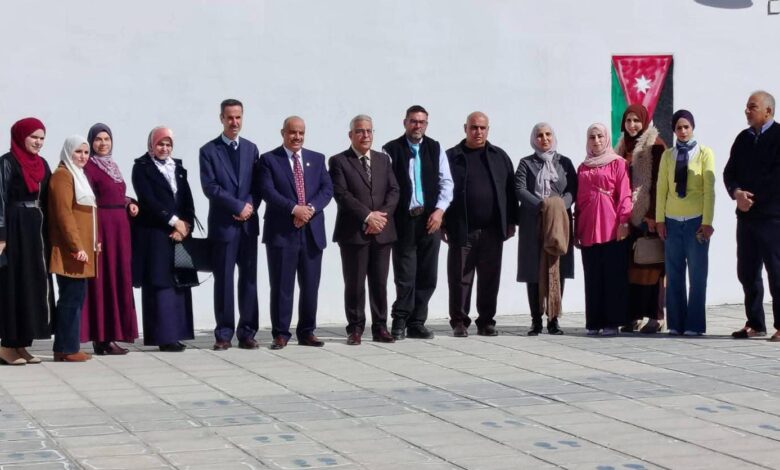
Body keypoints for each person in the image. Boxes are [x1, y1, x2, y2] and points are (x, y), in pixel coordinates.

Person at [257, 116, 333, 350]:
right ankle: (281, 333)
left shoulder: (317, 159)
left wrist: (309, 209)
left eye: (301, 133)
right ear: (283, 133)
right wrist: (294, 209)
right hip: (282, 233)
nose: (297, 137)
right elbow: (268, 191)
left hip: (311, 232)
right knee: (282, 286)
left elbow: (327, 189)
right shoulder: (269, 160)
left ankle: (307, 331)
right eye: (292, 132)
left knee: (310, 286)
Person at [382, 105, 454, 340]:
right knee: (405, 275)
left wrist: (440, 211)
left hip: (430, 220)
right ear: (405, 123)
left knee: (427, 275)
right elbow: (387, 186)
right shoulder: (390, 149)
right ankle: (400, 320)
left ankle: (417, 322)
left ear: (426, 124)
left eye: (422, 122)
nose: (417, 126)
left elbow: (446, 182)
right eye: (413, 121)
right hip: (404, 220)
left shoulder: (435, 148)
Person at [444, 112, 518, 337]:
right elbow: (441, 190)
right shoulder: (451, 157)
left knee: (489, 278)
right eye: (474, 127)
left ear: (488, 130)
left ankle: (486, 321)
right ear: (465, 128)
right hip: (462, 228)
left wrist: (511, 221)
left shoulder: (499, 156)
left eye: (482, 128)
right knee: (460, 278)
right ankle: (459, 321)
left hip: (492, 230)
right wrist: (442, 223)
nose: (478, 132)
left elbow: (510, 191)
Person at [329, 115, 399, 345]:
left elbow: (394, 190)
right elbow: (342, 194)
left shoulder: (383, 160)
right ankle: (355, 328)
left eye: (369, 131)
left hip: (382, 232)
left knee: (380, 283)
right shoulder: (339, 161)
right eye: (360, 131)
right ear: (351, 135)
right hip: (354, 233)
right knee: (355, 283)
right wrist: (368, 216)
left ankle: (380, 327)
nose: (365, 135)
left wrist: (380, 217)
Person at [199, 99, 261, 351]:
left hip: (248, 227)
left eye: (238, 117)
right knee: (223, 280)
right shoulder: (208, 150)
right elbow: (210, 187)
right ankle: (223, 334)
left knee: (249, 280)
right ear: (221, 119)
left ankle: (247, 333)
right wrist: (237, 207)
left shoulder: (251, 149)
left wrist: (249, 206)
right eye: (229, 117)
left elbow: (258, 185)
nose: (234, 122)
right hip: (224, 227)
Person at [131, 127, 196, 352]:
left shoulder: (177, 167)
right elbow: (148, 200)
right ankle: (164, 336)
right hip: (156, 232)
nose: (164, 148)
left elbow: (187, 199)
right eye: (160, 144)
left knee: (179, 281)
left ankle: (178, 333)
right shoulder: (142, 167)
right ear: (151, 144)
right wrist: (173, 221)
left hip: (179, 234)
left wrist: (185, 225)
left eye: (168, 144)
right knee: (160, 283)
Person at [723, 90, 780, 341]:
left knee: (776, 272)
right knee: (747, 271)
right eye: (747, 106)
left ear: (768, 111)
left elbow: (776, 178)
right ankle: (755, 322)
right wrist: (736, 193)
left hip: (772, 218)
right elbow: (729, 172)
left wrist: (752, 200)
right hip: (746, 218)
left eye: (752, 106)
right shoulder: (743, 139)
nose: (747, 111)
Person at [0, 118, 55, 365]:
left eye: (42, 138)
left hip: (36, 230)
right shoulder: (7, 162)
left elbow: (50, 196)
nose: (38, 142)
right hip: (15, 229)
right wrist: (1, 236)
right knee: (14, 283)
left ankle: (22, 344)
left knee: (32, 284)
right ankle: (6, 346)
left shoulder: (42, 164)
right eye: (34, 137)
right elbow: (0, 198)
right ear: (21, 136)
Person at [656, 110, 715, 336]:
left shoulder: (704, 153)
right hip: (672, 221)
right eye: (678, 128)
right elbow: (662, 189)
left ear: (692, 127)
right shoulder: (667, 156)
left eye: (686, 127)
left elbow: (709, 190)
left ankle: (695, 324)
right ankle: (676, 323)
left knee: (698, 276)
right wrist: (660, 219)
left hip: (695, 222)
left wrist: (707, 221)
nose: (682, 131)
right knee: (674, 274)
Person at [82, 123, 139, 355]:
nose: (103, 143)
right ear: (91, 142)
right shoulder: (89, 167)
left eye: (106, 139)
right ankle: (101, 338)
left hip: (119, 230)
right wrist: (94, 235)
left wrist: (129, 202)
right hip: (103, 228)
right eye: (98, 139)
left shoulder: (112, 165)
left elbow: (115, 194)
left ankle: (114, 334)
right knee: (103, 280)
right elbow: (89, 200)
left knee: (118, 278)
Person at [515, 123, 577, 336]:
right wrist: (543, 205)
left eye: (548, 134)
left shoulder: (564, 163)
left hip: (559, 222)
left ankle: (553, 320)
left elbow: (573, 189)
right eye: (539, 135)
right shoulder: (526, 163)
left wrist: (558, 206)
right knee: (533, 269)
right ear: (534, 139)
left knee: (557, 266)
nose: (544, 139)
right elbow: (519, 189)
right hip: (533, 222)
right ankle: (536, 320)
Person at [575, 123, 632, 336]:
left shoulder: (618, 163)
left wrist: (624, 222)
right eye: (592, 137)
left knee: (612, 276)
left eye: (600, 136)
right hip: (588, 226)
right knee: (592, 275)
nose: (596, 141)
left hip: (611, 226)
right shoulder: (583, 167)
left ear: (606, 138)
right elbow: (579, 201)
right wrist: (577, 230)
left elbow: (625, 194)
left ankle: (612, 322)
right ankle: (594, 322)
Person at [614, 104, 667, 334]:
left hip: (647, 216)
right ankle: (633, 316)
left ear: (644, 122)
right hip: (628, 217)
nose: (632, 125)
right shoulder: (621, 146)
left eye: (637, 120)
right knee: (631, 270)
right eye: (628, 120)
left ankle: (656, 317)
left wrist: (653, 214)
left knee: (652, 267)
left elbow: (659, 184)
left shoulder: (655, 146)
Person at [48, 136, 98, 362]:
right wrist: (76, 245)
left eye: (86, 152)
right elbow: (64, 214)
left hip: (82, 248)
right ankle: (66, 349)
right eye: (78, 151)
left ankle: (67, 347)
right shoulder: (63, 175)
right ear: (68, 152)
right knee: (70, 298)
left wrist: (94, 241)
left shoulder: (78, 174)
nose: (83, 156)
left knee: (76, 297)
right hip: (71, 250)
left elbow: (88, 213)